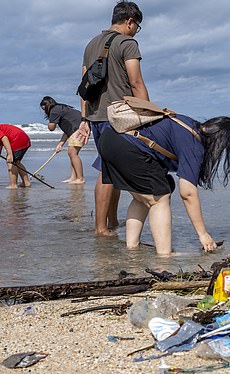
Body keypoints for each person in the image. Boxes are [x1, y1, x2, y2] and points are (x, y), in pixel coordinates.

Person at [97, 114, 230, 255]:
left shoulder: (187, 124)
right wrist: (203, 234)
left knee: (143, 198)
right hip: (127, 145)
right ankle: (164, 256)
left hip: (110, 139)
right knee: (159, 198)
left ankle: (132, 248)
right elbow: (188, 193)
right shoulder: (195, 143)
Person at [77, 1, 149, 236]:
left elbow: (83, 87)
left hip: (97, 116)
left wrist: (85, 118)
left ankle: (113, 220)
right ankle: (100, 227)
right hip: (119, 116)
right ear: (129, 21)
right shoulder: (127, 43)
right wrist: (148, 114)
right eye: (137, 26)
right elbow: (136, 82)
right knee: (107, 170)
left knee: (112, 168)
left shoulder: (90, 44)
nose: (136, 30)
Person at [40, 96, 86, 184]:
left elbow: (51, 128)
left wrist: (50, 121)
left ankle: (80, 178)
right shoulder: (60, 108)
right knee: (72, 154)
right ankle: (73, 177)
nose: (44, 110)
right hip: (77, 128)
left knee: (72, 153)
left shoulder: (54, 110)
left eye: (44, 108)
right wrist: (60, 144)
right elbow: (68, 131)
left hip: (79, 129)